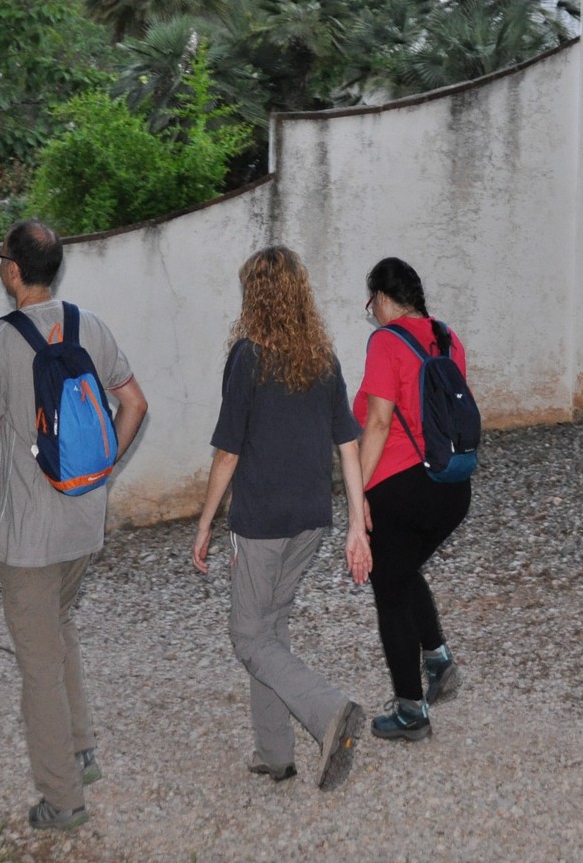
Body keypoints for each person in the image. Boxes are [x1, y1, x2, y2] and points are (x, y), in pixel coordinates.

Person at [0, 220, 148, 832]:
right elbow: (135, 404)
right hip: (84, 521)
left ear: (14, 270)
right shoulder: (89, 325)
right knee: (59, 626)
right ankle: (82, 750)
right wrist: (102, 469)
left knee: (38, 664)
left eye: (0, 259)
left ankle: (63, 800)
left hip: (31, 538)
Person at [193, 247, 372, 791]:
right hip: (311, 519)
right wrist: (355, 523)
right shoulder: (323, 358)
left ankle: (328, 711)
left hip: (262, 520)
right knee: (270, 625)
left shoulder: (247, 358)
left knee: (247, 636)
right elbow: (348, 445)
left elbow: (228, 453)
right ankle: (275, 754)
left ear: (256, 297)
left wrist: (204, 522)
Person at [354, 256, 472, 743]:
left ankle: (410, 711)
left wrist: (357, 495)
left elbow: (379, 422)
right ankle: (438, 661)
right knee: (402, 569)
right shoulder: (448, 337)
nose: (372, 313)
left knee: (389, 588)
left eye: (371, 303)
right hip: (452, 485)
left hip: (401, 487)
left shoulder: (386, 341)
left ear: (383, 298)